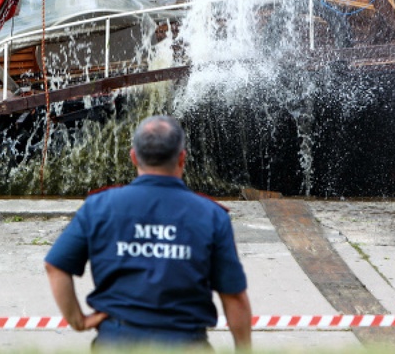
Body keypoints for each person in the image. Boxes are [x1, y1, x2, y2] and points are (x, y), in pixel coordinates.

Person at [44, 115, 252, 350]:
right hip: (185, 342)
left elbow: (56, 266)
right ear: (182, 158)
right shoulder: (211, 215)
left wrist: (78, 320)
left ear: (133, 157)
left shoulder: (100, 207)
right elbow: (234, 297)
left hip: (117, 342)